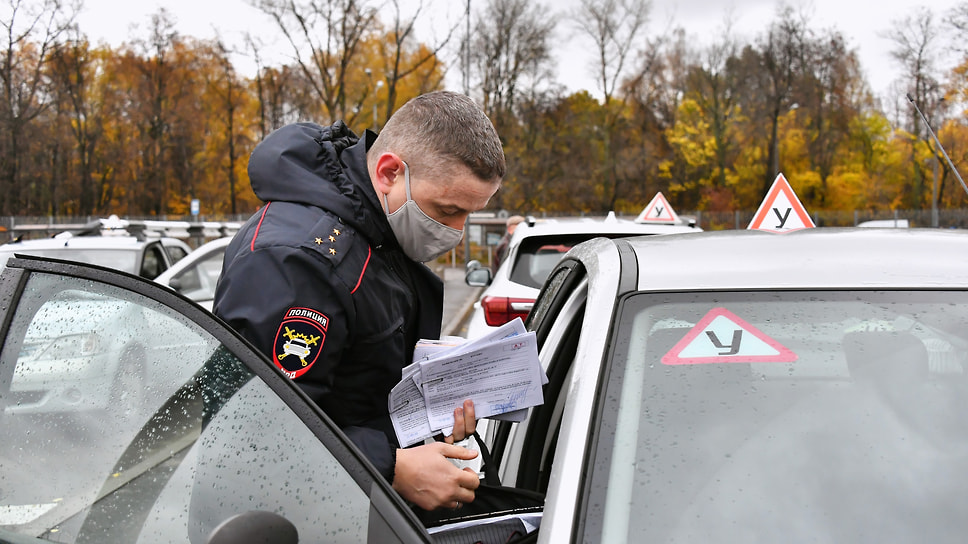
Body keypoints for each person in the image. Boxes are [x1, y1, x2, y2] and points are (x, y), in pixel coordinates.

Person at [213, 91, 506, 512]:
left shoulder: (377, 232)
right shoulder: (295, 261)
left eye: (468, 214)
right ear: (389, 172)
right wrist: (390, 468)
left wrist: (433, 408)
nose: (457, 232)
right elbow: (249, 434)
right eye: (447, 210)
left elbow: (359, 388)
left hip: (352, 505)